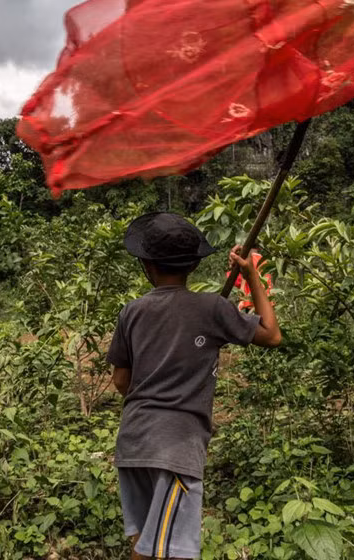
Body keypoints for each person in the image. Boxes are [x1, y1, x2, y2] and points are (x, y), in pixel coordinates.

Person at [107, 212, 282, 559]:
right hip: (176, 450)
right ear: (193, 265)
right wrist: (252, 276)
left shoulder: (132, 311)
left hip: (132, 443)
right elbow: (272, 335)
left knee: (145, 541)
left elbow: (121, 380)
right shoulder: (212, 308)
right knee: (164, 552)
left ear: (147, 265)